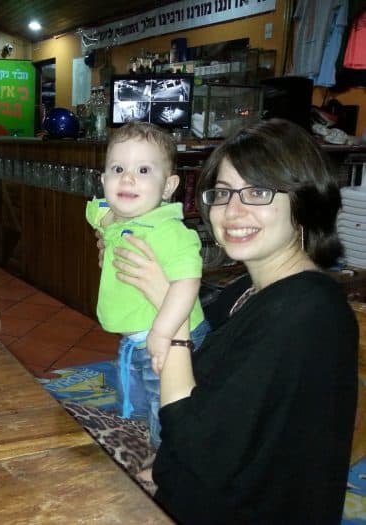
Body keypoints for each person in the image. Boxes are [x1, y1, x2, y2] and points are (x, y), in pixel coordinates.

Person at [76, 118, 357, 523]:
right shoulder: (246, 289)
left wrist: (165, 313)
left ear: (304, 200)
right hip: (195, 484)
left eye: (257, 191)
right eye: (223, 193)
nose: (233, 210)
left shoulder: (309, 311)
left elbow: (197, 442)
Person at [85, 121, 209, 450]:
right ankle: (137, 438)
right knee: (135, 396)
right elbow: (94, 211)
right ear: (104, 179)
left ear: (168, 186)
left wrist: (163, 332)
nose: (128, 178)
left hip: (170, 336)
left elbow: (188, 281)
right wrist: (108, 219)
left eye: (143, 169)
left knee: (162, 404)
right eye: (117, 168)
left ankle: (162, 460)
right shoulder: (117, 215)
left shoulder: (167, 229)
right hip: (136, 337)